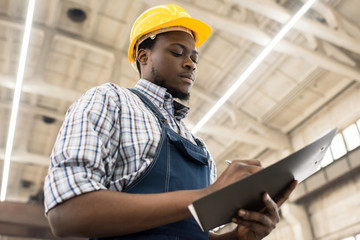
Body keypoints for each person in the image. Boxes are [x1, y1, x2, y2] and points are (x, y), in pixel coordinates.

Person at [44, 4, 297, 240]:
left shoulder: (197, 144)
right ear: (143, 56)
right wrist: (207, 195)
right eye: (177, 52)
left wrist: (236, 237)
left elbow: (188, 231)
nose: (190, 64)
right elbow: (67, 212)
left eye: (194, 59)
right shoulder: (109, 100)